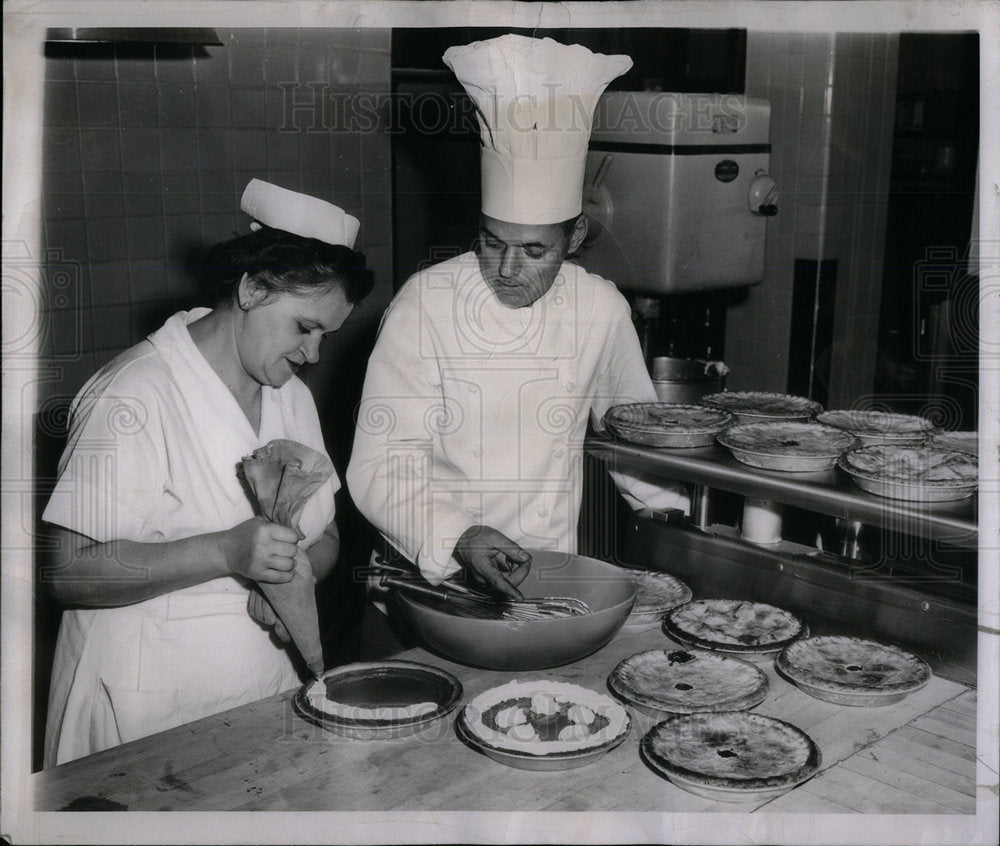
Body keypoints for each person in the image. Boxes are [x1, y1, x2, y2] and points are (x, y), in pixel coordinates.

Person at [40, 180, 373, 766]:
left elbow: (328, 536)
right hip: (144, 712)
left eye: (327, 334)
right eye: (304, 327)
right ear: (250, 289)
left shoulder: (288, 394)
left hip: (261, 691)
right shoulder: (137, 392)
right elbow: (68, 572)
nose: (314, 354)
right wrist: (226, 551)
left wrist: (293, 573)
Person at [346, 35, 687, 601]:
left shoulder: (598, 308)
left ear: (574, 237)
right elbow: (383, 463)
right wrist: (459, 535)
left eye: (534, 252)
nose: (506, 269)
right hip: (434, 576)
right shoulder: (426, 304)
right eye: (492, 241)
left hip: (548, 578)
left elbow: (636, 439)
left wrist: (682, 526)